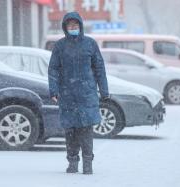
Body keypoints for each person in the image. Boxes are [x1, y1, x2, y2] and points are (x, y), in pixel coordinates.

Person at [48, 12, 109, 175]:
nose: (73, 28)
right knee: (70, 132)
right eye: (70, 26)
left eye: (76, 26)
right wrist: (53, 90)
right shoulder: (60, 46)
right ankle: (73, 163)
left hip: (86, 94)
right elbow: (53, 68)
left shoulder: (90, 44)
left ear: (80, 26)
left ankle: (88, 164)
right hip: (67, 95)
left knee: (86, 131)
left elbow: (99, 68)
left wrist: (104, 91)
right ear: (65, 28)